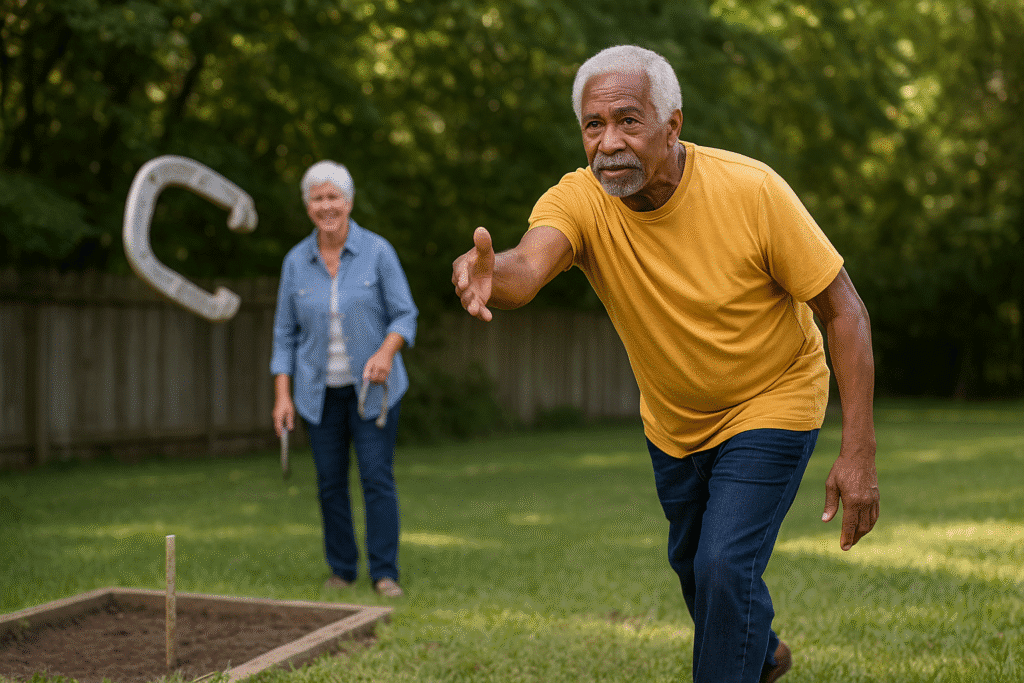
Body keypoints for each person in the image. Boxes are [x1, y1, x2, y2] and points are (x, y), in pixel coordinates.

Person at [452, 45, 879, 683]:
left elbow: (844, 311)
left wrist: (858, 452)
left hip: (775, 396)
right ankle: (762, 657)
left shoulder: (750, 189)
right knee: (696, 569)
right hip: (675, 422)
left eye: (629, 120)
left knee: (723, 567)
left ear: (672, 124)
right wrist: (491, 274)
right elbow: (526, 267)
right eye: (593, 126)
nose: (609, 143)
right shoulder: (582, 200)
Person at [272, 160, 417, 598]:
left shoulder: (377, 251)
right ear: (307, 206)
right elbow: (284, 334)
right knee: (330, 483)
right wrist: (283, 397)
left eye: (333, 196)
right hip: (318, 395)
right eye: (317, 198)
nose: (326, 205)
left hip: (373, 392)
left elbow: (405, 314)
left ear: (349, 202)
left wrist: (386, 351)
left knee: (376, 478)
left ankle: (384, 573)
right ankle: (341, 569)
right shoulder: (296, 262)